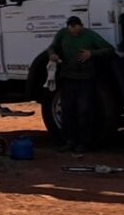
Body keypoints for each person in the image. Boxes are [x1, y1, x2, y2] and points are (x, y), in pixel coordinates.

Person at [44, 16, 115, 152]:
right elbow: (52, 47)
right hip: (68, 78)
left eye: (75, 28)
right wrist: (52, 54)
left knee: (84, 110)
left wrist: (91, 53)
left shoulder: (90, 35)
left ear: (80, 26)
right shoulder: (63, 34)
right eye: (71, 29)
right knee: (67, 110)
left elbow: (109, 49)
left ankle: (84, 142)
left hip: (85, 78)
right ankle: (70, 141)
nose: (73, 32)